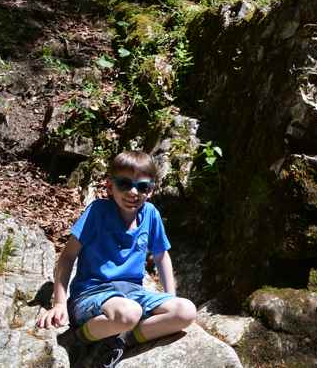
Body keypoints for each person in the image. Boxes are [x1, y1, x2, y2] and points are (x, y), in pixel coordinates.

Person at [36, 151, 197, 367]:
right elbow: (67, 257)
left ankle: (122, 340)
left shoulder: (150, 214)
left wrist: (170, 296)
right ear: (110, 186)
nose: (133, 192)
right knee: (129, 313)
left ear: (150, 190)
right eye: (124, 184)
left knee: (185, 312)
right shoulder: (97, 212)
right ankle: (78, 339)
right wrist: (59, 303)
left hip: (132, 293)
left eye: (142, 187)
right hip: (92, 293)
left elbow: (161, 255)